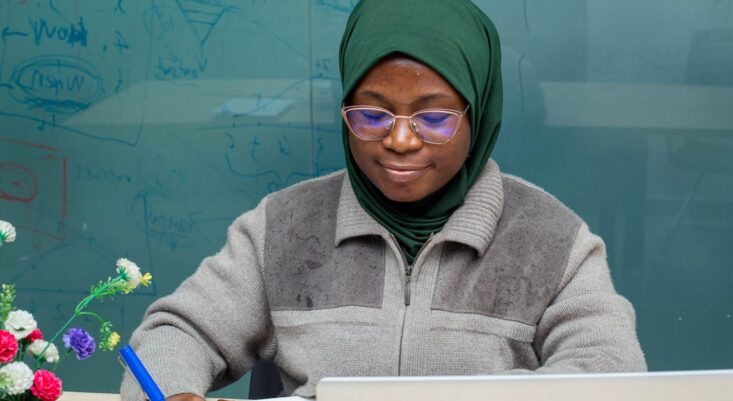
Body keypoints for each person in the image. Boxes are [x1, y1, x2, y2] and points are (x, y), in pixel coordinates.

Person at [121, 0, 646, 400]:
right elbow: (179, 332)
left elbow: (608, 369)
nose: (398, 140)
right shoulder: (281, 230)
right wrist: (171, 387)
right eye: (371, 115)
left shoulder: (552, 242)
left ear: (478, 113)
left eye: (434, 118)